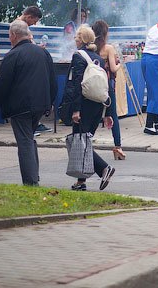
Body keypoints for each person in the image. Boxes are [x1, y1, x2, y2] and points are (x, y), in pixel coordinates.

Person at [0, 20, 57, 186]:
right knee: (29, 138)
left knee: (24, 141)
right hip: (40, 105)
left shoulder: (12, 56)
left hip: (20, 107)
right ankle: (34, 176)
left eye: (10, 35)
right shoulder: (43, 53)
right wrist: (50, 102)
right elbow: (52, 81)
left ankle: (31, 183)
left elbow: (0, 86)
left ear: (13, 36)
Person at [62, 25, 115, 191]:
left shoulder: (79, 56)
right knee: (82, 141)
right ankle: (80, 182)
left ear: (82, 39)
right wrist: (108, 112)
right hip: (97, 106)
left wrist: (76, 109)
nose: (75, 39)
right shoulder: (97, 57)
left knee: (80, 142)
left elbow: (77, 84)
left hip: (83, 105)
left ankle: (104, 168)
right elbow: (107, 86)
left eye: (77, 37)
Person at [93, 20, 124, 161]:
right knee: (113, 116)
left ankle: (86, 143)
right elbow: (112, 68)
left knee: (94, 116)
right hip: (106, 86)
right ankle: (118, 146)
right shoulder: (109, 48)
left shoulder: (91, 47)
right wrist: (119, 64)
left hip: (93, 86)